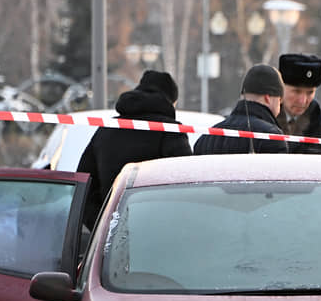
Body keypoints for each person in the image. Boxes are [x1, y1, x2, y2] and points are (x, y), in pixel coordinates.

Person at [77, 70, 191, 228]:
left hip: (111, 236)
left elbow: (84, 185)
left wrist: (102, 226)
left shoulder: (107, 129)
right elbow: (188, 185)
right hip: (158, 231)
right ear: (171, 101)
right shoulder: (170, 131)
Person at [193, 64, 288, 155]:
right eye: (279, 101)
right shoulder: (271, 138)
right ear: (268, 98)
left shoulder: (206, 138)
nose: (279, 108)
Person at [276, 53, 321, 156]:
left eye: (310, 93)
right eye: (296, 91)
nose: (302, 101)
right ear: (280, 87)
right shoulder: (262, 122)